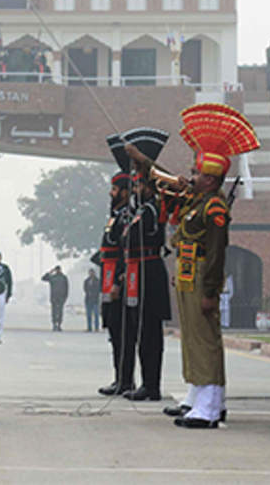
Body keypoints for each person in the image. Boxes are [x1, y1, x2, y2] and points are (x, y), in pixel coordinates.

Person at [155, 103, 259, 429]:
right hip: (188, 274)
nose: (193, 176)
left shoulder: (214, 208)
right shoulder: (198, 202)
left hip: (202, 276)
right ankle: (198, 394)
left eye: (199, 173)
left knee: (205, 340)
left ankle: (210, 404)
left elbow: (216, 253)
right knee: (193, 340)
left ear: (212, 180)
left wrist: (211, 290)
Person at [109, 126, 173, 402]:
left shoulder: (154, 205)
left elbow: (131, 236)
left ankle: (152, 384)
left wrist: (145, 163)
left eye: (138, 183)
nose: (134, 187)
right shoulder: (138, 208)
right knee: (137, 331)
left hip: (150, 272)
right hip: (137, 272)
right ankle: (143, 383)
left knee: (150, 334)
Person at [91, 172, 132, 395]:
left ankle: (125, 380)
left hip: (116, 281)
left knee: (122, 332)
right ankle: (119, 378)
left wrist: (118, 280)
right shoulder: (116, 214)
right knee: (114, 333)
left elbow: (124, 251)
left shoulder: (126, 216)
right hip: (107, 280)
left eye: (115, 189)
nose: (111, 193)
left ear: (125, 192)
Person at [41, 266, 69, 331]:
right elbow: (43, 278)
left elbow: (66, 288)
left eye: (58, 270)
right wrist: (50, 272)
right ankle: (54, 324)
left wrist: (65, 297)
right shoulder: (52, 277)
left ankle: (59, 324)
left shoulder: (64, 278)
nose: (58, 271)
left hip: (61, 297)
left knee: (60, 312)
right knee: (54, 311)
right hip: (54, 297)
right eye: (56, 270)